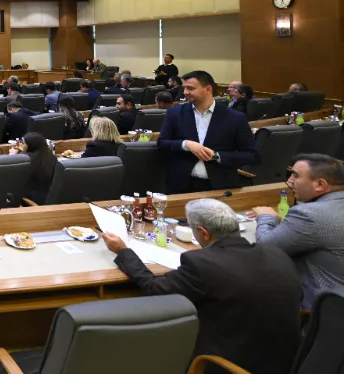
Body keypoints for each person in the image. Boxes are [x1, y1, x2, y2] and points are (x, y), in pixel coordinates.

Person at [102, 199, 301, 374]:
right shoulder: (276, 254)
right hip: (287, 362)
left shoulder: (201, 264)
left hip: (226, 365)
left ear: (204, 233)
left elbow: (155, 289)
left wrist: (123, 251)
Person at [253, 154, 344, 310]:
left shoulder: (309, 214)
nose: (290, 181)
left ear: (320, 185)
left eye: (295, 175)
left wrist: (267, 217)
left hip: (322, 313)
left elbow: (264, 249)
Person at [158, 70, 257, 193]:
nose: (185, 92)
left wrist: (217, 156)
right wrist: (185, 144)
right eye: (184, 88)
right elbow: (162, 142)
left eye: (190, 88)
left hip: (221, 185)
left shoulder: (235, 117)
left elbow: (251, 154)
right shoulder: (175, 113)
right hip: (182, 185)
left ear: (208, 89)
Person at [18, 132, 56, 205]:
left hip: (30, 201)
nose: (22, 146)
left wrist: (13, 155)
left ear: (29, 145)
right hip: (48, 199)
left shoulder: (26, 160)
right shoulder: (52, 158)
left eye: (24, 143)